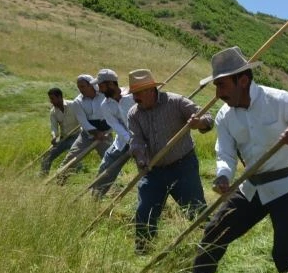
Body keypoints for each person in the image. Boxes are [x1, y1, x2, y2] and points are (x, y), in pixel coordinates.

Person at [183, 46, 288, 273]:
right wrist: (223, 176)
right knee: (213, 235)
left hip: (286, 186)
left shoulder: (281, 100)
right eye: (216, 86)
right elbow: (224, 153)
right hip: (251, 188)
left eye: (223, 85)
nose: (218, 94)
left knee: (283, 254)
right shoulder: (225, 116)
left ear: (243, 80)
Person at [127, 68, 214, 254]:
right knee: (145, 211)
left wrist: (199, 123)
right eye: (133, 94)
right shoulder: (134, 113)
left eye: (138, 94)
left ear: (150, 90)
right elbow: (136, 140)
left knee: (195, 209)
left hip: (183, 166)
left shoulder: (176, 102)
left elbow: (207, 118)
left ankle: (209, 247)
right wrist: (141, 159)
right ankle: (143, 250)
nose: (135, 98)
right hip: (154, 170)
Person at [56, 74, 113, 182]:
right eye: (79, 87)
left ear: (91, 85)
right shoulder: (77, 102)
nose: (80, 89)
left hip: (105, 134)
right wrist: (96, 133)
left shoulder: (103, 95)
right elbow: (83, 122)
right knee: (71, 158)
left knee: (111, 160)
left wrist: (104, 133)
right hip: (87, 135)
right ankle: (59, 180)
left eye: (82, 86)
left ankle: (115, 186)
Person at [91, 68, 134, 199]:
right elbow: (114, 125)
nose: (99, 89)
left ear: (111, 84)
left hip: (145, 140)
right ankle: (95, 199)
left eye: (101, 85)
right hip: (122, 141)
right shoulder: (105, 105)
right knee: (106, 166)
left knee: (150, 170)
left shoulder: (133, 97)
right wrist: (129, 140)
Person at [40, 87, 79, 175]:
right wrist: (54, 136)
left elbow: (82, 120)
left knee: (73, 157)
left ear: (60, 97)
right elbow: (54, 127)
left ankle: (77, 171)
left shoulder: (73, 105)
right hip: (64, 138)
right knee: (47, 157)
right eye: (50, 99)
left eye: (53, 99)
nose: (51, 101)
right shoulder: (53, 112)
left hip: (77, 136)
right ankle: (42, 177)